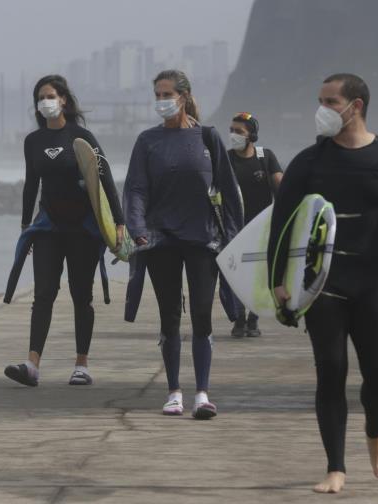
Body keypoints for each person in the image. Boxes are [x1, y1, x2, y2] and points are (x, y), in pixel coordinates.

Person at [267, 73, 378, 493]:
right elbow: (281, 224)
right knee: (331, 371)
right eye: (320, 100)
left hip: (371, 285)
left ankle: (375, 429)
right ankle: (335, 467)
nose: (322, 109)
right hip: (321, 288)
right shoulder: (309, 162)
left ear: (356, 105)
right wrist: (278, 282)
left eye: (330, 101)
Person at [123, 69, 242, 419]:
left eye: (166, 94)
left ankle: (202, 393)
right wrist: (137, 227)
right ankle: (174, 391)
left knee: (203, 315)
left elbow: (228, 190)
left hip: (204, 239)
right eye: (157, 95)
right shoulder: (148, 141)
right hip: (161, 240)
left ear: (184, 96)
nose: (162, 101)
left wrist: (232, 239)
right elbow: (135, 189)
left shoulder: (208, 138)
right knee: (170, 315)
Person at [3, 74, 124, 387]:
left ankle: (81, 364)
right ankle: (32, 365)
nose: (45, 102)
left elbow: (105, 178)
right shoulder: (34, 141)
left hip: (82, 229)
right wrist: (25, 225)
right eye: (40, 98)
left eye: (50, 96)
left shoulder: (81, 137)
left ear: (64, 100)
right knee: (43, 293)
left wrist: (119, 222)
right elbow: (32, 184)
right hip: (49, 227)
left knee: (81, 295)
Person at [226, 112, 283, 338]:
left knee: (260, 276)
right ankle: (239, 317)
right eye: (231, 130)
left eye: (239, 131)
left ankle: (253, 318)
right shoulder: (226, 159)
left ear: (252, 135)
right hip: (234, 228)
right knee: (237, 274)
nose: (233, 135)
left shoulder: (265, 157)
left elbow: (281, 186)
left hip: (261, 228)